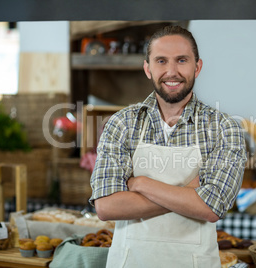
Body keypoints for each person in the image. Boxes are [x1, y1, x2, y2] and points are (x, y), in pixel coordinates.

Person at [89, 25, 247, 268]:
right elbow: (106, 206)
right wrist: (188, 193)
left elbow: (211, 207)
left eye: (181, 60)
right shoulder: (121, 123)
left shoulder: (224, 128)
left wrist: (140, 183)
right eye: (161, 61)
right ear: (147, 68)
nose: (171, 72)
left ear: (197, 67)